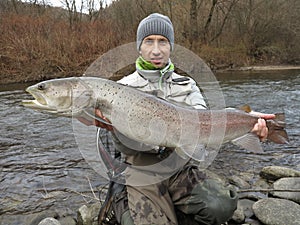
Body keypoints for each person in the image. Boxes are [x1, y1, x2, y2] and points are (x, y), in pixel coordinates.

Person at [80, 13, 274, 225]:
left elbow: (205, 124)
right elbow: (124, 149)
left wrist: (246, 122)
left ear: (171, 46)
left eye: (163, 41)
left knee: (221, 206)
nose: (156, 50)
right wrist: (113, 126)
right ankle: (127, 198)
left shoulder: (188, 85)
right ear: (139, 47)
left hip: (179, 168)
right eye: (149, 41)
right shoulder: (121, 88)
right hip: (140, 169)